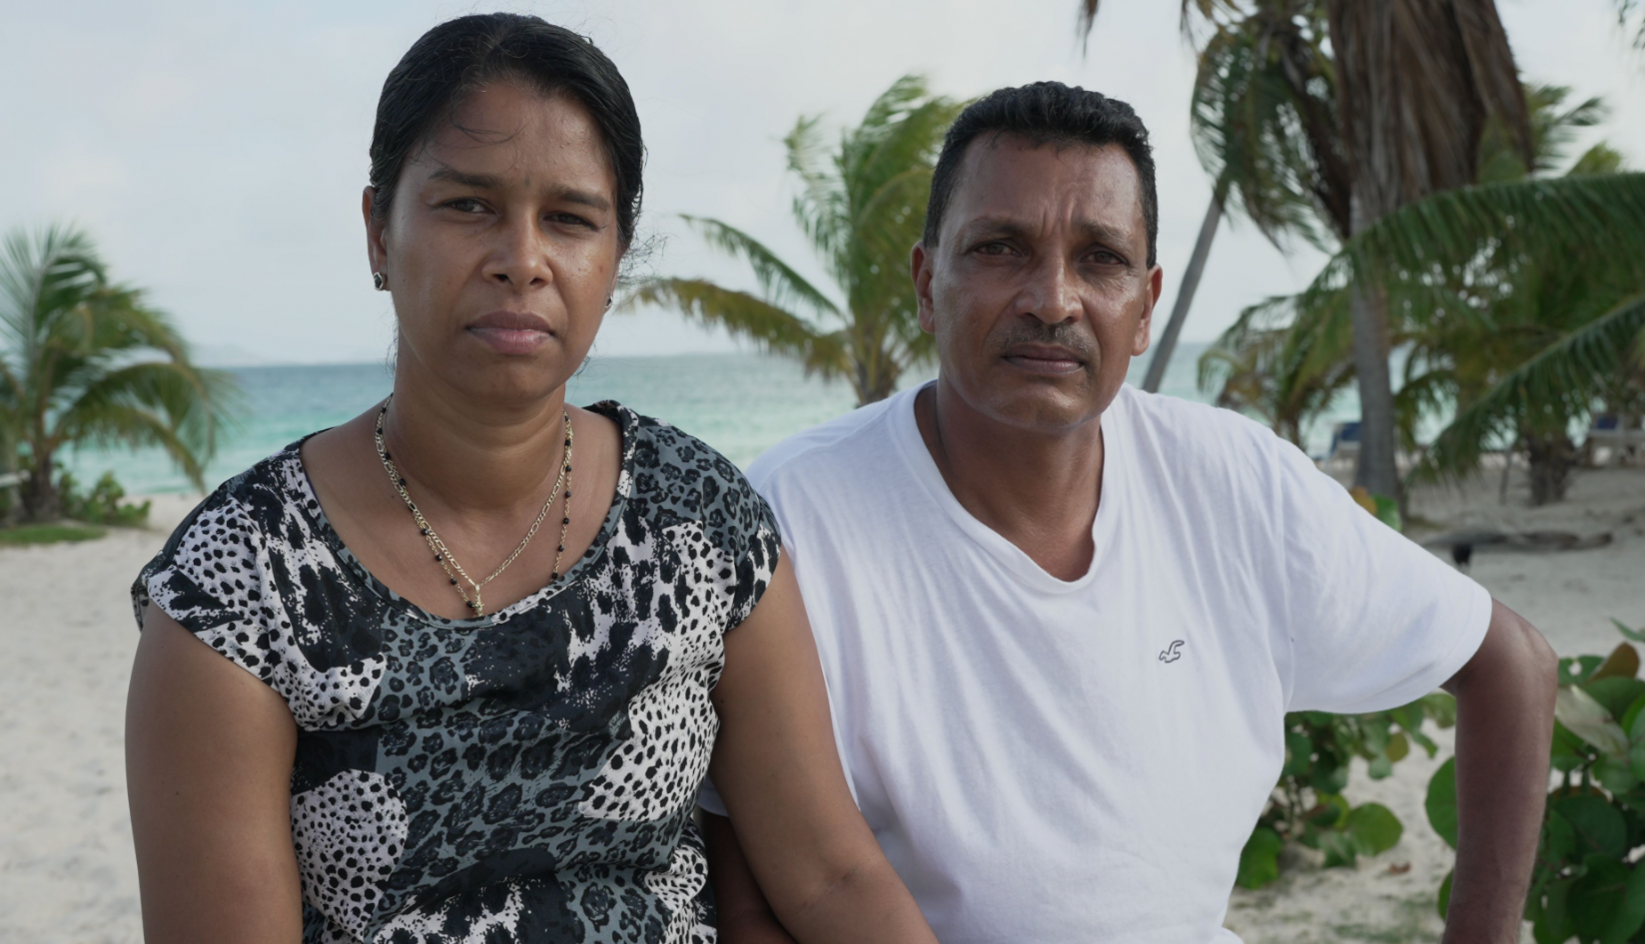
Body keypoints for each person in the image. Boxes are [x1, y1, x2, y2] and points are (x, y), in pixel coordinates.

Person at [124, 15, 937, 944]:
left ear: (616, 257)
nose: (523, 259)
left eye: (570, 218)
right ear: (378, 232)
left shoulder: (702, 524)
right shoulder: (238, 583)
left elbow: (832, 875)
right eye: (468, 205)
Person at [700, 82, 1559, 943]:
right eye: (1001, 247)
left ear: (1145, 308)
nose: (1053, 299)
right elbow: (753, 893)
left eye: (1101, 258)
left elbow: (1510, 663)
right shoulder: (793, 517)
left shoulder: (1237, 484)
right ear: (928, 284)